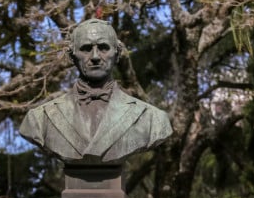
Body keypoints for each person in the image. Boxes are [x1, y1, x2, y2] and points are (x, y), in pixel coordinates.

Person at [19, 19, 172, 169]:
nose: (95, 57)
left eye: (103, 48)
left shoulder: (151, 119)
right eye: (86, 49)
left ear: (117, 54)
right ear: (72, 56)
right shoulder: (40, 120)